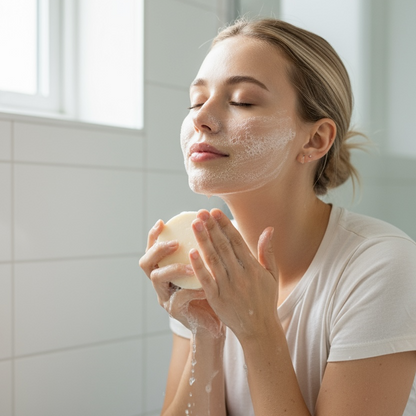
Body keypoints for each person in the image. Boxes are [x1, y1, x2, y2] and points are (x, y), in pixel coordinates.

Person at [139, 18, 416, 416]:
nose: (201, 118)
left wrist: (258, 331)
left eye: (242, 101)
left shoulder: (382, 266)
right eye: (196, 101)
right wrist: (207, 331)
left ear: (315, 139)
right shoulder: (203, 262)